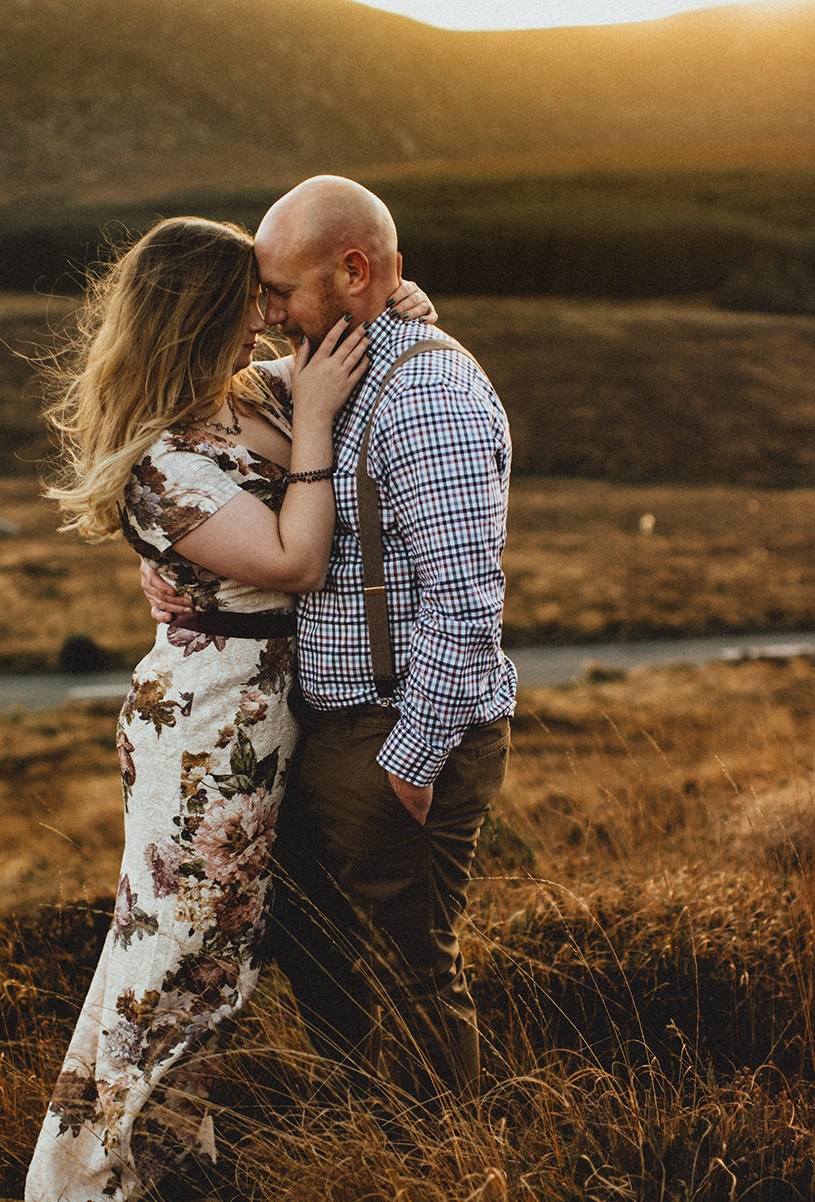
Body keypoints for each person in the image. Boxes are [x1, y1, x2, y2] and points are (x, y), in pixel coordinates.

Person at [23, 215, 434, 1201]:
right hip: (211, 727)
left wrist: (399, 308)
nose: (269, 311)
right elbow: (294, 559)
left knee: (230, 946)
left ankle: (169, 1160)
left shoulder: (247, 390)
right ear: (199, 314)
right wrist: (324, 422)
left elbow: (354, 349)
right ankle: (93, 1179)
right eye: (250, 297)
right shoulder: (159, 466)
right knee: (178, 950)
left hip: (272, 709)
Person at [145, 176, 515, 1102]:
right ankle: (362, 1133)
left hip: (392, 733)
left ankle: (444, 1164)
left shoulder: (427, 389)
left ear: (352, 272)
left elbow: (464, 601)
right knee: (317, 952)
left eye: (278, 291)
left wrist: (412, 764)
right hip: (330, 728)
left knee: (414, 975)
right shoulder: (333, 366)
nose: (264, 316)